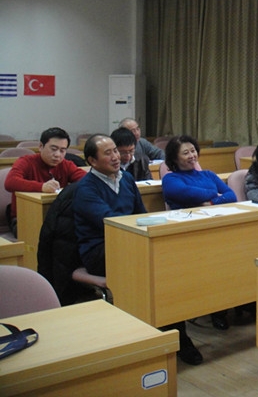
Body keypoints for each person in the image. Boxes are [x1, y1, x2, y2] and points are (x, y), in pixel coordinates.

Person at [74, 134, 202, 366]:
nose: (116, 157)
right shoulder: (85, 189)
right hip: (101, 249)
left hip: (132, 242)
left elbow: (141, 215)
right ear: (92, 161)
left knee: (169, 264)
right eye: (108, 153)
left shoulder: (126, 179)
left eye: (116, 151)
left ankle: (172, 334)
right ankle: (162, 337)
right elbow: (111, 223)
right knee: (155, 270)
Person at [162, 135, 237, 331]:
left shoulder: (209, 174)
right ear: (174, 158)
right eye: (185, 153)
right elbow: (186, 193)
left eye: (193, 151)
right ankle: (212, 309)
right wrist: (214, 194)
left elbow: (231, 195)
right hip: (189, 233)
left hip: (216, 228)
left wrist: (210, 202)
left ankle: (226, 306)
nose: (192, 155)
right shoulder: (170, 179)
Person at [4, 127, 86, 237]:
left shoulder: (66, 165)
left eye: (62, 150)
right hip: (25, 217)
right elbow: (10, 182)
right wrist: (42, 187)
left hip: (56, 217)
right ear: (41, 146)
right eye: (53, 149)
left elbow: (87, 181)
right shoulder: (26, 162)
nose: (57, 155)